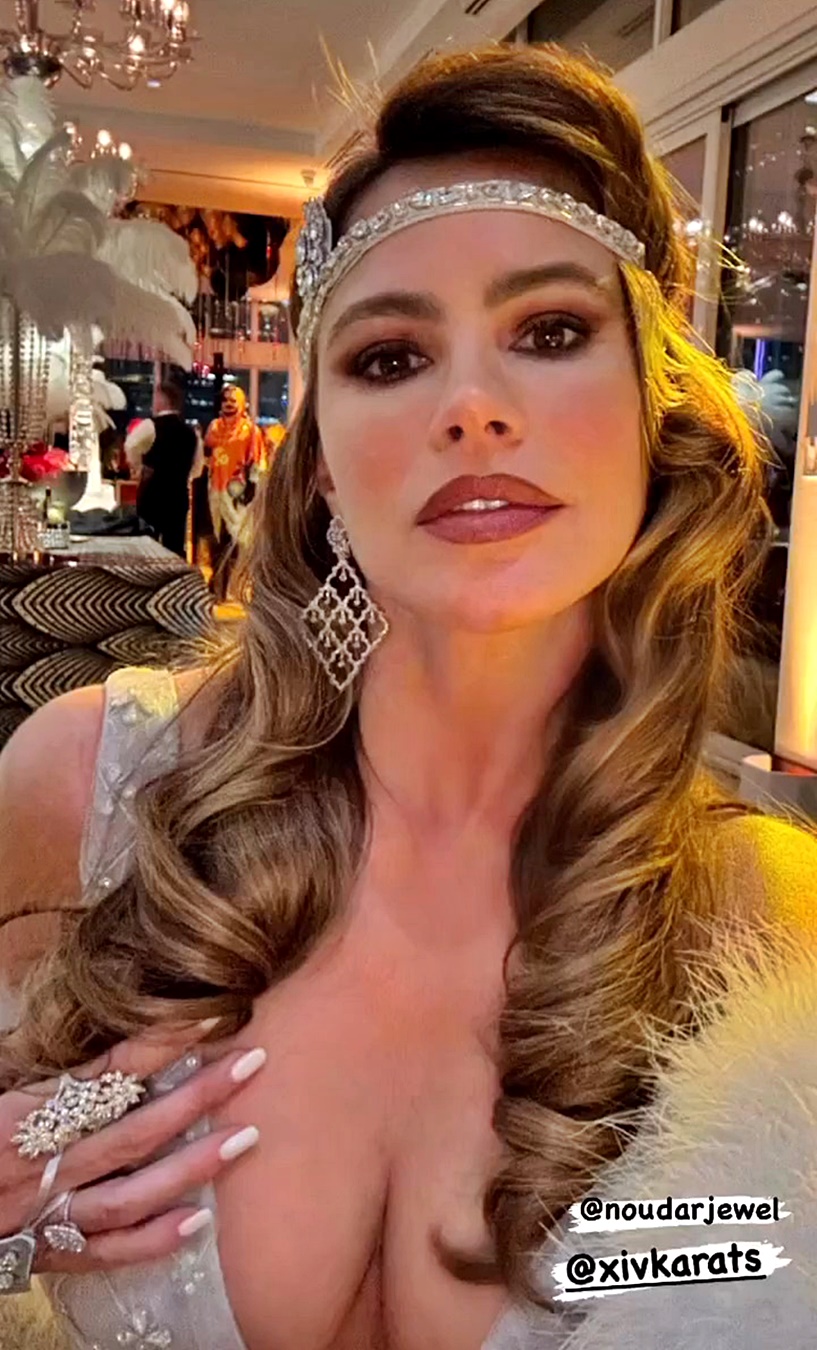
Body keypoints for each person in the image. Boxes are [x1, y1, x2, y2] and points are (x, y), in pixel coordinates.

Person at [0, 42, 816, 1350]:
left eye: (550, 334)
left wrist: (681, 1258)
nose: (474, 408)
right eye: (390, 356)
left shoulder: (763, 920)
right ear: (322, 461)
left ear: (651, 417)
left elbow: (739, 1276)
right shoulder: (90, 788)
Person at [204, 385, 264, 598]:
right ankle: (218, 585)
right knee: (218, 539)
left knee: (240, 542)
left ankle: (236, 587)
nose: (228, 404)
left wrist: (251, 489)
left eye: (233, 400)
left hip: (237, 493)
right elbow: (207, 454)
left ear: (242, 404)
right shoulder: (214, 427)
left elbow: (257, 463)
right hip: (215, 492)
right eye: (225, 400)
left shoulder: (251, 431)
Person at [130, 380, 198, 558]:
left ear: (162, 400)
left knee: (146, 545)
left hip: (152, 495)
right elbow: (197, 467)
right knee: (174, 548)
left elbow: (131, 446)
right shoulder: (191, 433)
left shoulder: (150, 426)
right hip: (178, 498)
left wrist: (138, 469)